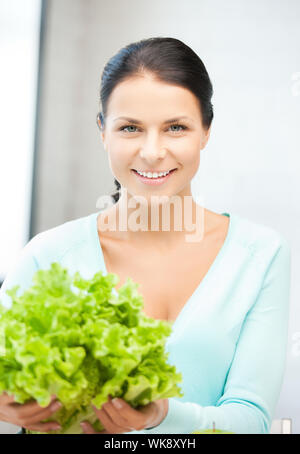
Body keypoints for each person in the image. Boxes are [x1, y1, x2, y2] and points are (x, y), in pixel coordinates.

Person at [0, 37, 291, 434]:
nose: (153, 152)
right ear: (103, 131)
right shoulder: (47, 256)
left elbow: (252, 421)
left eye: (176, 127)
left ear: (205, 131)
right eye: (131, 128)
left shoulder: (261, 255)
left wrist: (164, 416)